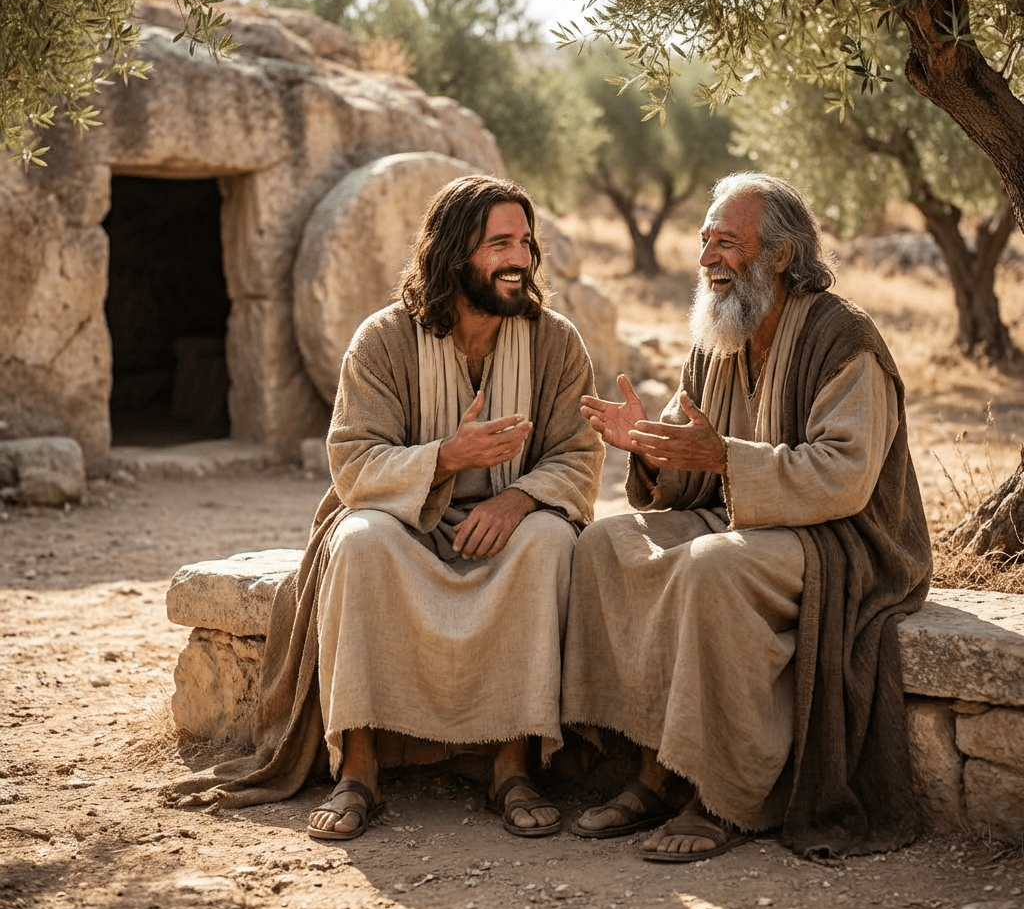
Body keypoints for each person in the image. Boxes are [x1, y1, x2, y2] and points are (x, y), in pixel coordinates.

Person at [165, 175, 603, 840]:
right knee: (360, 540)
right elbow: (354, 462)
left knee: (548, 543)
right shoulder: (383, 340)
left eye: (526, 241)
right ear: (456, 255)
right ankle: (359, 770)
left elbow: (579, 454)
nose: (521, 257)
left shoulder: (555, 342)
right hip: (407, 520)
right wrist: (448, 459)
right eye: (501, 244)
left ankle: (511, 767)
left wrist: (517, 500)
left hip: (510, 528)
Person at [562, 172, 931, 861]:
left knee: (712, 568)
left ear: (782, 255)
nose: (708, 259)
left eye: (727, 243)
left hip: (838, 540)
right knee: (607, 544)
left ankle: (720, 797)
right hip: (745, 519)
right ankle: (650, 770)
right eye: (705, 241)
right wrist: (647, 448)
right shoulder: (720, 331)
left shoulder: (843, 337)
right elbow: (689, 454)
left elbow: (844, 478)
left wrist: (726, 458)